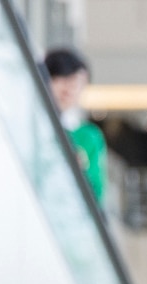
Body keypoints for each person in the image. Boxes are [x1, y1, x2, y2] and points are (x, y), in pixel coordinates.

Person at [42, 48, 106, 203]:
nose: (70, 87)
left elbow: (97, 195)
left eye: (78, 83)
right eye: (64, 77)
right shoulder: (31, 125)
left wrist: (81, 171)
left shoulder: (88, 136)